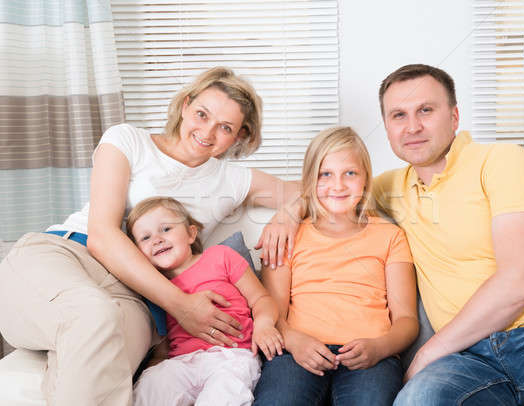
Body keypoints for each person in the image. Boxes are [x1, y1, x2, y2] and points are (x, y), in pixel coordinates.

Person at [0, 67, 301, 405]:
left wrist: (288, 215)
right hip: (71, 254)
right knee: (93, 313)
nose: (207, 131)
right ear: (185, 105)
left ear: (240, 136)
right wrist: (182, 305)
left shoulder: (231, 180)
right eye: (202, 114)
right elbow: (102, 234)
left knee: (99, 360)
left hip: (138, 301)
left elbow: (312, 191)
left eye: (225, 127)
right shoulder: (128, 140)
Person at [372, 64, 524, 405]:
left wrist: (425, 355)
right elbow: (323, 191)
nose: (413, 126)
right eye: (398, 115)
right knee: (417, 400)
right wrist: (286, 217)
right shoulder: (390, 187)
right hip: (466, 359)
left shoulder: (502, 161)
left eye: (426, 110)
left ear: (454, 116)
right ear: (387, 129)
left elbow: (519, 283)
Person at [253, 126, 419, 406]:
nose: (338, 185)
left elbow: (407, 320)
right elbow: (272, 312)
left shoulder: (390, 236)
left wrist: (380, 348)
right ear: (310, 181)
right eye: (325, 174)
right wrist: (294, 341)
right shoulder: (287, 235)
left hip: (370, 356)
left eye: (350, 173)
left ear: (366, 179)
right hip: (297, 352)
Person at [126, 197, 283, 405]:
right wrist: (155, 366)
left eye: (165, 229)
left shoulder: (221, 256)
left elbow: (261, 298)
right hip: (180, 362)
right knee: (151, 386)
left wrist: (264, 325)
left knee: (225, 392)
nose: (156, 239)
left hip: (232, 356)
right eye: (145, 238)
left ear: (191, 233)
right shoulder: (156, 287)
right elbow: (163, 341)